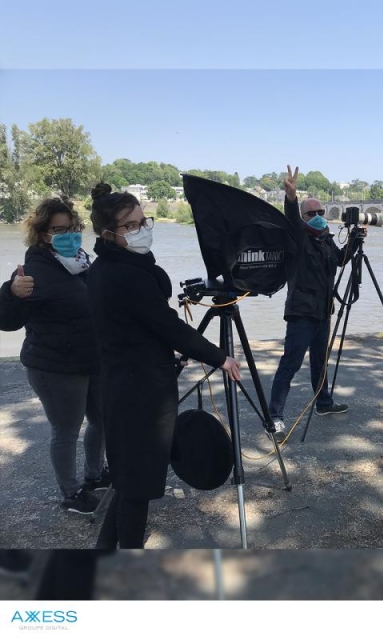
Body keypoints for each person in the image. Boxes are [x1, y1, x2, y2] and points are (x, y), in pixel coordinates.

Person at [87, 182, 241, 549]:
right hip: (139, 394)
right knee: (137, 484)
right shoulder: (125, 274)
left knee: (128, 481)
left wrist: (160, 350)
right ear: (109, 234)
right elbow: (167, 325)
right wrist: (220, 357)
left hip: (129, 381)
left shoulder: (109, 266)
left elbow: (134, 326)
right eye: (132, 226)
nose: (143, 230)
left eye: (144, 221)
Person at [0, 197, 107, 515]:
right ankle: (71, 494)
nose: (68, 235)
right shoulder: (31, 272)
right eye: (57, 230)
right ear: (41, 233)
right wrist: (10, 292)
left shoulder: (82, 262)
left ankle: (94, 476)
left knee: (101, 421)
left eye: (72, 228)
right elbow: (7, 322)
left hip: (92, 360)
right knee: (66, 430)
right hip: (55, 366)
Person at [268, 166, 364, 442]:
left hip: (323, 313)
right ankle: (275, 417)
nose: (320, 217)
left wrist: (355, 243)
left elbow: (340, 260)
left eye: (322, 213)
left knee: (320, 362)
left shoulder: (325, 240)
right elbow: (291, 218)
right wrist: (291, 196)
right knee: (290, 364)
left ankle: (323, 404)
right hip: (301, 314)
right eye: (313, 213)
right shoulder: (297, 239)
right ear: (303, 217)